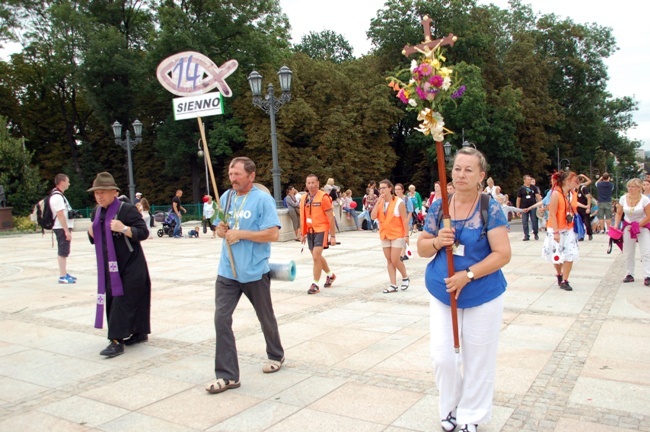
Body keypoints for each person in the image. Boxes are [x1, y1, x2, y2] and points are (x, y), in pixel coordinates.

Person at [416, 147, 511, 432]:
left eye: (469, 169)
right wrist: (436, 242)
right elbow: (421, 247)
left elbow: (502, 254)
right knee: (442, 357)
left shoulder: (489, 207)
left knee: (477, 358)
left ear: (481, 176)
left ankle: (472, 414)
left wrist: (467, 275)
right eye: (457, 168)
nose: (461, 174)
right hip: (443, 292)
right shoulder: (439, 205)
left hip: (482, 293)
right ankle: (450, 407)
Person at [206, 157, 284, 394]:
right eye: (231, 174)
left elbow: (272, 234)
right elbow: (220, 228)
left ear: (251, 176)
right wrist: (220, 230)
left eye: (238, 174)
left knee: (265, 316)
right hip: (227, 271)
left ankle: (275, 354)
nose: (233, 178)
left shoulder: (263, 199)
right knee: (221, 319)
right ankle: (228, 376)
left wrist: (242, 234)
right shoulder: (227, 198)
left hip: (253, 270)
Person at [87, 172, 151, 358]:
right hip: (109, 265)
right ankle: (139, 332)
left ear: (114, 192)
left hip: (132, 264)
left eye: (103, 192)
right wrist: (91, 233)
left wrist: (123, 228)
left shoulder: (127, 209)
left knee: (123, 299)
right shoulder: (96, 212)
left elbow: (143, 232)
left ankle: (116, 340)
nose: (99, 196)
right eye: (96, 193)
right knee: (115, 298)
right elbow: (95, 239)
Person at [542, 171, 580, 291]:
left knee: (570, 253)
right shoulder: (556, 194)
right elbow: (552, 214)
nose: (577, 182)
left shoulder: (573, 194)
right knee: (557, 254)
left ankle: (565, 280)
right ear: (567, 181)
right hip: (556, 227)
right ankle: (559, 274)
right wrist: (556, 232)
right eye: (575, 180)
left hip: (569, 227)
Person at [300, 174, 337, 295]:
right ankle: (330, 275)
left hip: (321, 229)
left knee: (316, 256)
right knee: (317, 256)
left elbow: (331, 218)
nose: (311, 185)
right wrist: (303, 233)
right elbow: (303, 216)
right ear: (306, 184)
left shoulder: (323, 197)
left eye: (313, 183)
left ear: (318, 183)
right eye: (308, 183)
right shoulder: (304, 198)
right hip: (311, 230)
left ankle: (315, 284)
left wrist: (333, 236)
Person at [372, 180, 410, 293]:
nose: (381, 190)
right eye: (380, 188)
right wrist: (378, 201)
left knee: (395, 259)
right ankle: (393, 284)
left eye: (384, 188)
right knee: (389, 260)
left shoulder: (399, 202)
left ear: (390, 189)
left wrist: (406, 235)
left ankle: (405, 276)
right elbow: (373, 216)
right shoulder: (380, 202)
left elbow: (404, 220)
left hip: (397, 234)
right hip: (384, 234)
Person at [614, 178, 650, 285]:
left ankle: (647, 275)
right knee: (629, 252)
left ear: (639, 188)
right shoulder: (623, 198)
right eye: (629, 186)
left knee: (646, 252)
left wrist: (638, 226)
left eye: (633, 187)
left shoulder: (645, 200)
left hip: (642, 226)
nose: (630, 189)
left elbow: (648, 216)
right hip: (628, 226)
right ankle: (629, 273)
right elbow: (619, 213)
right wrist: (616, 225)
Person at [50, 174, 76, 284]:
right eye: (68, 181)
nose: (69, 183)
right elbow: (60, 214)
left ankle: (64, 273)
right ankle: (62, 275)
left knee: (64, 250)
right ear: (62, 182)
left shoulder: (59, 195)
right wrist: (66, 230)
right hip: (60, 227)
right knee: (63, 251)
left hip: (61, 227)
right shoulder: (57, 197)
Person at [516, 175, 541, 241]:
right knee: (525, 221)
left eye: (530, 179)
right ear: (524, 180)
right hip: (524, 207)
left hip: (532, 206)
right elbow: (518, 199)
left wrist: (540, 205)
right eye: (528, 179)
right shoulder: (521, 189)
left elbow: (538, 196)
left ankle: (536, 233)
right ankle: (526, 235)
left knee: (534, 220)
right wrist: (518, 209)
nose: (529, 181)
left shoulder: (534, 188)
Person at [395, 183, 414, 255]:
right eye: (396, 189)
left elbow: (410, 211)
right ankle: (402, 252)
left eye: (399, 189)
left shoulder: (406, 199)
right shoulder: (394, 199)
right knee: (399, 237)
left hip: (406, 221)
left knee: (405, 236)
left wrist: (407, 221)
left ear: (402, 190)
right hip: (397, 221)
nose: (397, 191)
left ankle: (405, 252)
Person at [575, 174, 593, 241]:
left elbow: (588, 197)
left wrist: (588, 207)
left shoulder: (583, 188)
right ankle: (581, 235)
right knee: (579, 223)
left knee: (586, 222)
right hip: (577, 208)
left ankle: (589, 233)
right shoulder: (574, 189)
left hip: (585, 208)